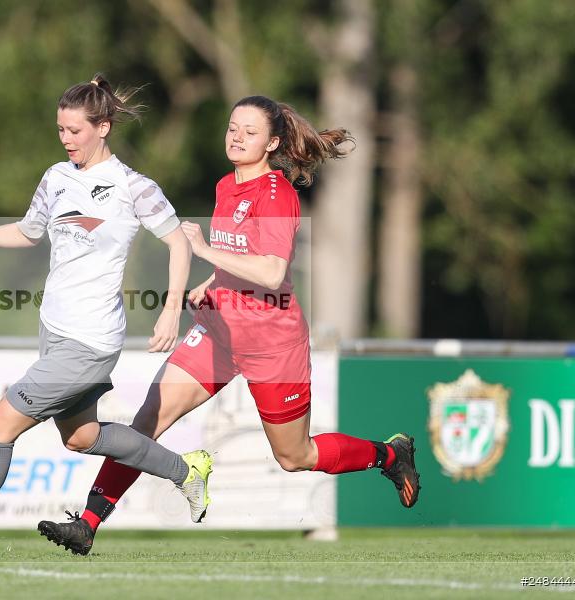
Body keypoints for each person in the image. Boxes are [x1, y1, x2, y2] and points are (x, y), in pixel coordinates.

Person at [38, 95, 421, 556]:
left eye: (250, 132)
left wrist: (203, 252)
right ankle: (88, 524)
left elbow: (272, 272)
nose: (237, 137)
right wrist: (209, 281)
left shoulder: (278, 195)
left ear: (273, 142)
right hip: (218, 331)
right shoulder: (225, 186)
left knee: (294, 457)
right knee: (146, 421)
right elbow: (239, 257)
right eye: (232, 127)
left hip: (272, 345)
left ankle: (390, 454)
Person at [0, 74, 214, 558]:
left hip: (91, 341)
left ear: (104, 127)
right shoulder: (56, 178)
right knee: (82, 437)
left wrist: (171, 308)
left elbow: (178, 241)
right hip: (53, 332)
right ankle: (187, 470)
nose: (66, 139)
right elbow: (30, 232)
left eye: (75, 130)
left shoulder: (133, 186)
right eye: (60, 130)